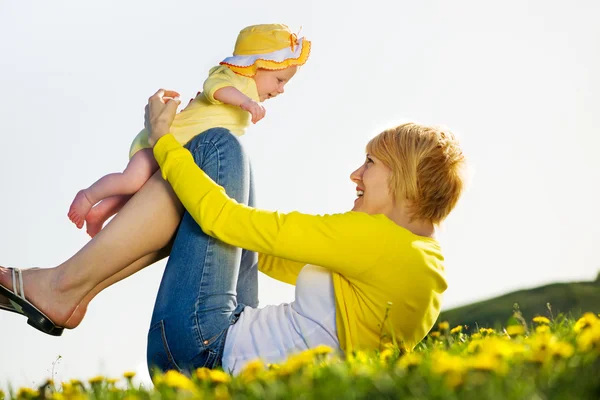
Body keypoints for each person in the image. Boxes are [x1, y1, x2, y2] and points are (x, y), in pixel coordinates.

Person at [0, 89, 466, 376]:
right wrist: (208, 203)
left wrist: (163, 140)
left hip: (202, 354)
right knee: (212, 191)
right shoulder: (422, 264)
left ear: (405, 177)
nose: (355, 175)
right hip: (233, 354)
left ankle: (61, 288)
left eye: (370, 162)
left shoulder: (369, 239)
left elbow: (226, 223)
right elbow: (259, 250)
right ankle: (67, 292)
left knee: (219, 150)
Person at [68, 24, 311, 238]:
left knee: (138, 192)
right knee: (132, 180)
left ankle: (99, 213)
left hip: (176, 153)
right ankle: (88, 197)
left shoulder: (246, 93)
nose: (281, 90)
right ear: (259, 64)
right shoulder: (232, 77)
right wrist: (245, 102)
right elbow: (214, 88)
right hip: (163, 139)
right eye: (280, 80)